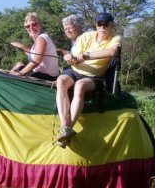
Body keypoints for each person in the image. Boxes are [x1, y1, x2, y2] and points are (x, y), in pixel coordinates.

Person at [54, 12, 122, 148]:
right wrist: (70, 58)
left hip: (94, 77)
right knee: (61, 80)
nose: (102, 27)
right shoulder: (86, 36)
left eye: (106, 24)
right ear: (96, 25)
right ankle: (64, 127)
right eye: (99, 24)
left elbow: (112, 52)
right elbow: (74, 62)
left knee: (80, 85)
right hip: (75, 71)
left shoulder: (116, 38)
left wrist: (86, 55)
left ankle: (69, 127)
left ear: (112, 26)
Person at [10, 12, 59, 81]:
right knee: (19, 64)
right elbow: (33, 54)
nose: (31, 28)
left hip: (45, 77)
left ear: (40, 25)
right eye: (27, 26)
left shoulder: (41, 38)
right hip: (42, 74)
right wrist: (22, 46)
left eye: (34, 24)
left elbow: (36, 60)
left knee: (14, 73)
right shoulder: (39, 40)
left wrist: (21, 72)